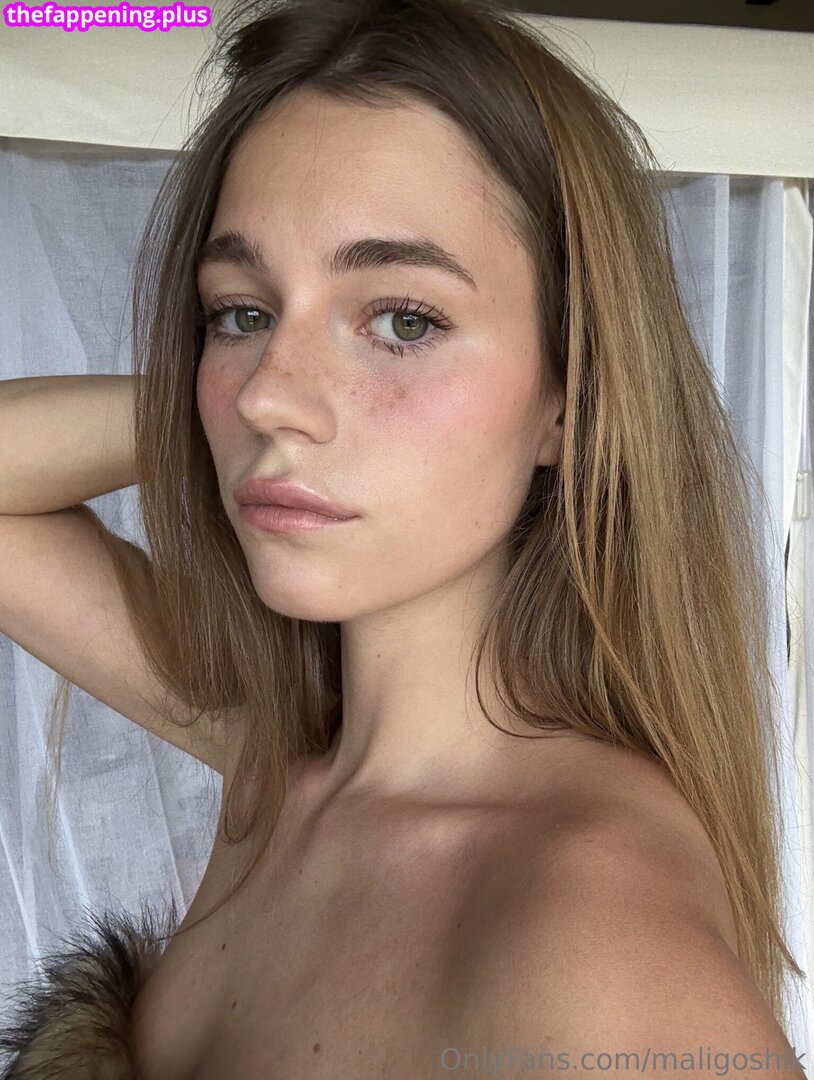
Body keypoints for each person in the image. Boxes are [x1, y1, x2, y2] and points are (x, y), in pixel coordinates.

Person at [0, 0, 807, 1075]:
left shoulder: (596, 928)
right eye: (242, 312)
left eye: (403, 321)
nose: (268, 393)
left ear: (569, 398)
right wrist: (228, 419)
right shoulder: (278, 759)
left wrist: (266, 413)